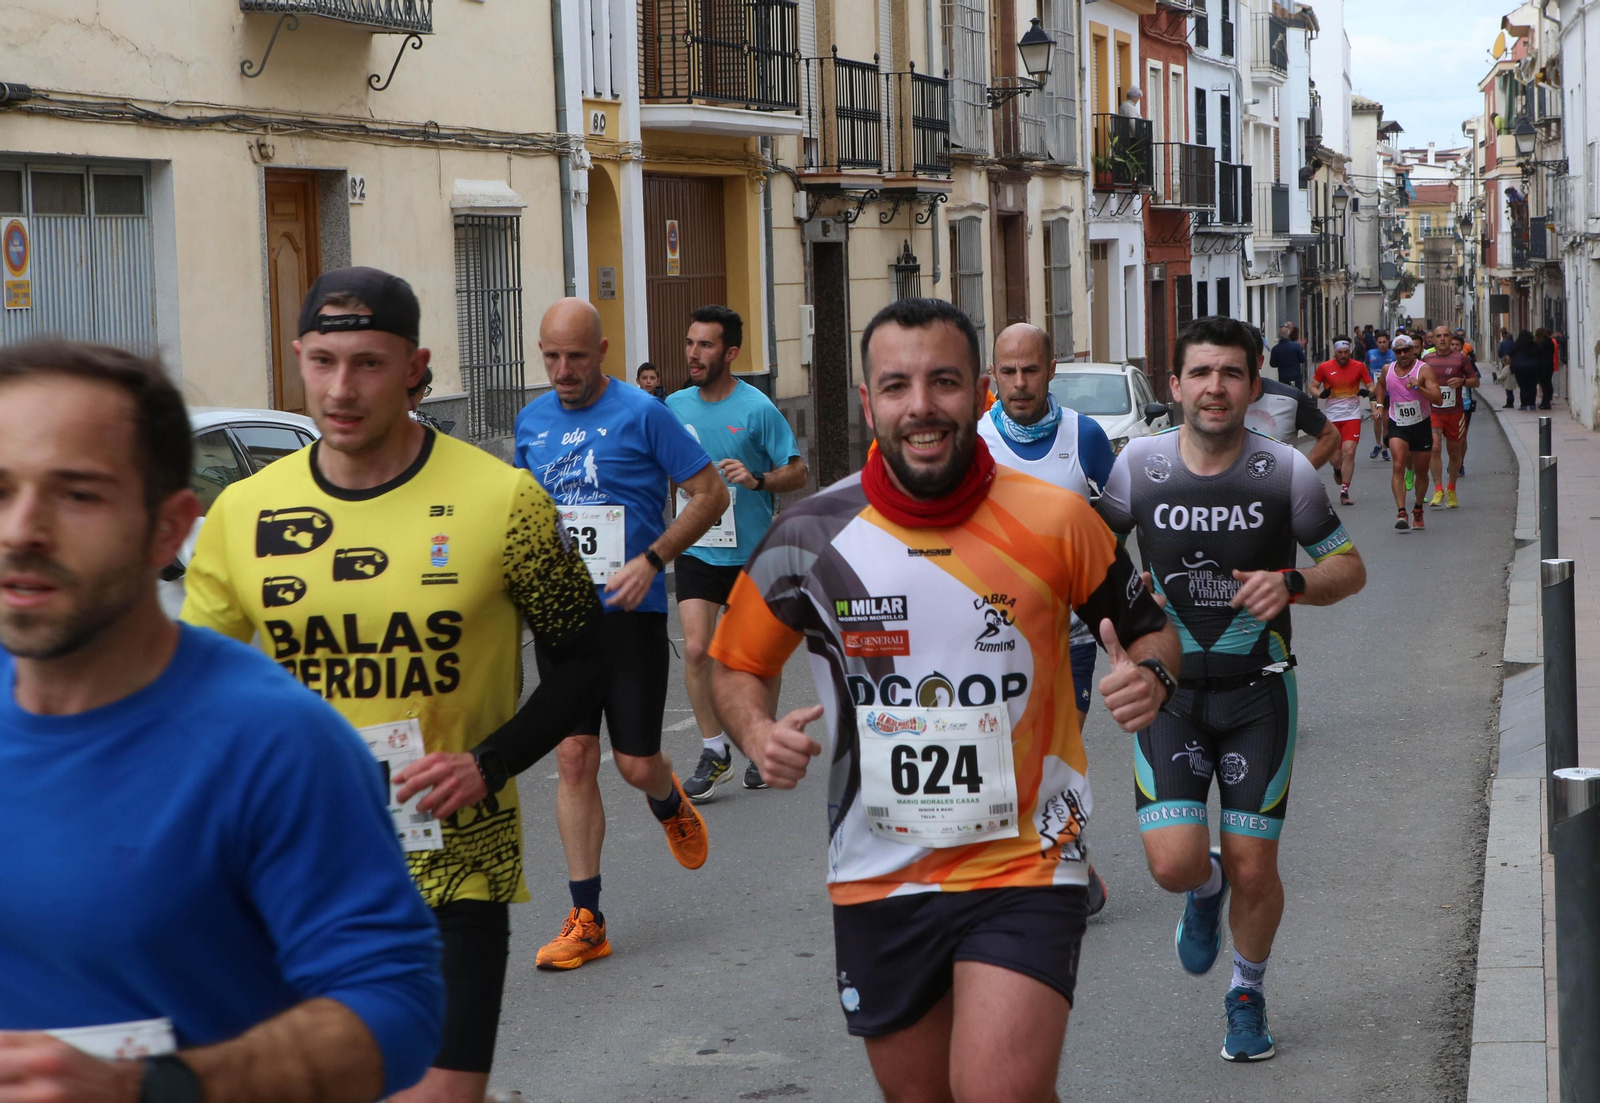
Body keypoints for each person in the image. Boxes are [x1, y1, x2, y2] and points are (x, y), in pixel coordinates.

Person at [710, 296, 1178, 1102]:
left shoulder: (1058, 519)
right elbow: (735, 664)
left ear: (982, 392)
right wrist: (754, 731)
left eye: (944, 382)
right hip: (880, 873)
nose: (921, 405)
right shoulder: (810, 538)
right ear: (868, 401)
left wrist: (1153, 676)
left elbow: (1151, 629)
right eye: (896, 385)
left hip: (1028, 864)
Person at [183, 267, 610, 1103]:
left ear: (415, 368)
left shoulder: (506, 502)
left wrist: (487, 763)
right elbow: (194, 691)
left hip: (454, 864)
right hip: (288, 867)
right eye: (324, 361)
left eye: (369, 364)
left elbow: (589, 659)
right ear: (299, 358)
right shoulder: (242, 511)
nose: (342, 390)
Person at [0, 339, 443, 1100]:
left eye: (78, 494)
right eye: (1, 489)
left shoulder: (274, 741)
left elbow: (393, 1007)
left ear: (169, 530)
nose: (21, 530)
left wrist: (154, 1087)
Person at [1098, 315, 1366, 1063]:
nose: (1215, 387)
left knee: (1257, 863)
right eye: (1201, 373)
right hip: (1170, 694)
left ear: (1254, 386)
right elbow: (1088, 552)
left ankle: (1246, 988)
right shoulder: (1139, 466)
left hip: (1259, 693)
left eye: (1231, 374)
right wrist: (1123, 594)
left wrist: (1293, 582)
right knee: (1175, 863)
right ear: (1175, 385)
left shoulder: (1284, 471)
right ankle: (1204, 889)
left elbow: (1349, 567)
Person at [514, 299, 726, 970]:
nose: (563, 370)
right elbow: (523, 515)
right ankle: (587, 916)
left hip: (631, 615)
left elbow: (710, 494)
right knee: (574, 758)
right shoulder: (530, 422)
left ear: (602, 350)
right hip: (563, 618)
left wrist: (654, 561)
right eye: (550, 356)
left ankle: (666, 796)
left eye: (575, 356)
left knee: (635, 763)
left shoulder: (643, 412)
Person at [977, 321, 1117, 916]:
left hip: (1072, 636)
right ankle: (1044, 866)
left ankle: (1064, 866)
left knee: (1053, 756)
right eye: (1007, 372)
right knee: (1001, 761)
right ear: (993, 376)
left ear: (1052, 367)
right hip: (992, 637)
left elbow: (1117, 531)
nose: (1019, 383)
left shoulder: (1084, 438)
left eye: (1030, 370)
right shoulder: (975, 440)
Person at [669, 305, 808, 800]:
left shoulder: (757, 408)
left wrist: (758, 479)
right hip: (697, 546)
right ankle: (715, 751)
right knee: (695, 647)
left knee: (756, 661)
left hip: (751, 552)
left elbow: (797, 471)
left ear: (730, 353)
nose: (693, 353)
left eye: (705, 345)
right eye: (690, 343)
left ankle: (758, 739)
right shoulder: (674, 407)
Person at [1370, 334, 1442, 530]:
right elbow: (1381, 385)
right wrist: (1378, 404)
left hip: (1420, 424)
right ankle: (1401, 512)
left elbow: (1438, 399)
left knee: (1421, 471)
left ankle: (1417, 509)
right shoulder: (1388, 369)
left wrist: (1419, 387)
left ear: (1413, 350)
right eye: (1398, 351)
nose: (1402, 354)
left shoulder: (1424, 370)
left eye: (1406, 350)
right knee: (1398, 465)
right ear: (1394, 353)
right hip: (1397, 423)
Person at [1311, 338, 1372, 506]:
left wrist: (1367, 392)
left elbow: (1371, 386)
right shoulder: (1324, 367)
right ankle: (1337, 468)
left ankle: (1344, 492)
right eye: (1340, 353)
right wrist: (1320, 395)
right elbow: (1313, 386)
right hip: (1332, 417)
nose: (1343, 355)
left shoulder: (1358, 366)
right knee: (1334, 458)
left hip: (1352, 415)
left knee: (1350, 452)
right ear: (1335, 352)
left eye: (1346, 352)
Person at [1244, 370, 1341, 471]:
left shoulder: (1291, 398)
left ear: (1260, 361)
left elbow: (1330, 435)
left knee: (1349, 451)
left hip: (1346, 413)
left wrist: (1302, 474)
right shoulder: (1227, 402)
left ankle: (1343, 481)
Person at [1424, 327, 1477, 508]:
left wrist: (1462, 381)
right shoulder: (1427, 360)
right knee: (1434, 447)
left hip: (1455, 412)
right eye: (1438, 336)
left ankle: (1452, 488)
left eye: (1446, 335)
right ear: (1433, 339)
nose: (1442, 339)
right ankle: (1438, 489)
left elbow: (1475, 381)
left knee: (1454, 452)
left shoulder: (1461, 358)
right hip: (1434, 412)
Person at [1365, 332, 1394, 461]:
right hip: (1375, 392)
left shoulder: (1393, 355)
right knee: (1377, 417)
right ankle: (1377, 444)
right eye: (1380, 342)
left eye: (1384, 342)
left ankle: (1384, 447)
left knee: (1386, 422)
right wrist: (1368, 384)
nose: (1382, 345)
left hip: (1389, 392)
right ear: (1376, 343)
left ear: (1388, 342)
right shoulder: (1370, 354)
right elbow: (1366, 367)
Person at [1510, 330, 1544, 411]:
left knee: (1523, 387)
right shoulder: (1534, 345)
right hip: (1532, 368)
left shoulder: (1516, 345)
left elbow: (1511, 355)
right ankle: (1532, 404)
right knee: (1532, 386)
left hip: (1520, 368)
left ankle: (1524, 405)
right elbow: (1539, 355)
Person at [1268, 324, 1306, 390]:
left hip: (1283, 376)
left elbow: (1272, 364)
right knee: (1297, 394)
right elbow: (1303, 359)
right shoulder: (1296, 346)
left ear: (1279, 335)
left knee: (1284, 393)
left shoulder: (1275, 349)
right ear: (1288, 334)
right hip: (1296, 375)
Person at [1534, 327, 1556, 409]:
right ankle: (1546, 401)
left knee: (1545, 384)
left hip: (1543, 366)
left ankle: (1546, 402)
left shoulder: (1543, 344)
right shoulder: (1550, 342)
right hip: (1549, 365)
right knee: (1547, 383)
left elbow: (1538, 353)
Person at [1496, 327, 1517, 409]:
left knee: (1506, 376)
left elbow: (1499, 352)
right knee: (1511, 376)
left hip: (1505, 362)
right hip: (1513, 363)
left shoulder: (1502, 344)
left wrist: (1502, 358)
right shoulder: (1514, 344)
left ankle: (1509, 402)